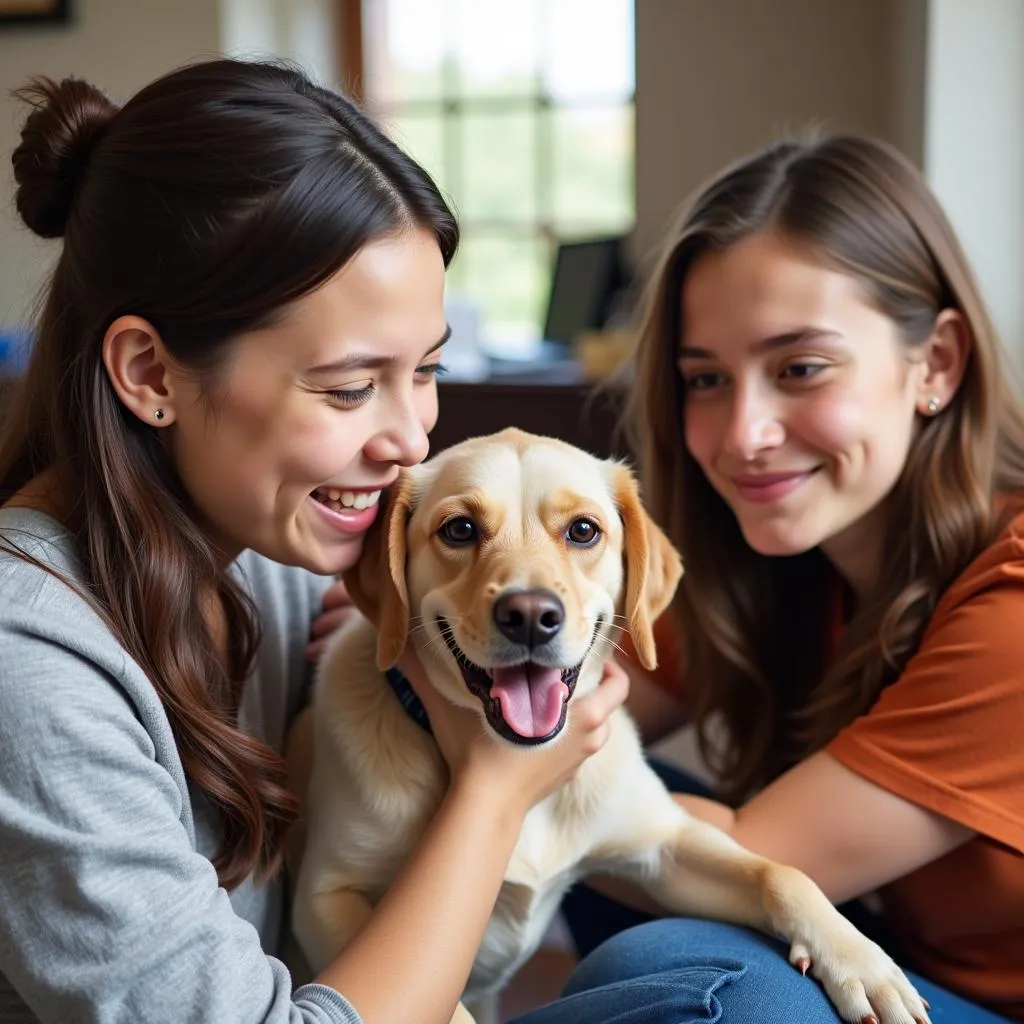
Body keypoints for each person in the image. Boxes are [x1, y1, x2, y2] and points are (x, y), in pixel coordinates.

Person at [0, 59, 637, 1024]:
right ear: (148, 371)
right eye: (348, 388)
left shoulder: (262, 549)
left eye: (424, 370)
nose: (410, 439)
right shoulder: (30, 662)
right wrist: (496, 791)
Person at [551, 134, 1024, 1023]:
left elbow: (751, 867)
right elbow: (571, 698)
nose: (742, 435)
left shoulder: (1014, 609)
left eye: (800, 368)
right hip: (907, 973)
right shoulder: (783, 560)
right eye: (705, 380)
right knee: (567, 751)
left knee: (702, 974)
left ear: (938, 364)